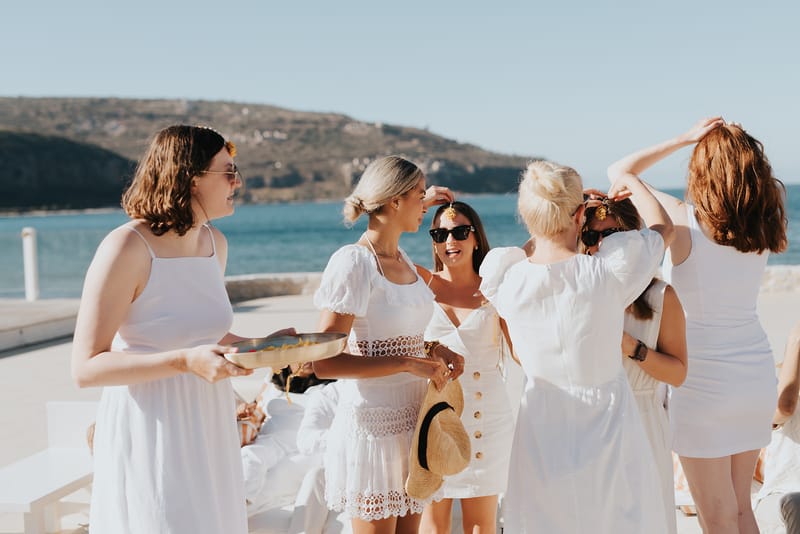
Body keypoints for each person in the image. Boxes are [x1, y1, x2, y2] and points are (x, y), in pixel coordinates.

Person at [71, 125, 290, 534]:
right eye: (227, 171)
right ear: (191, 178)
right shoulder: (127, 247)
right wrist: (184, 362)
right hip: (151, 425)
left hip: (208, 424)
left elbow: (196, 334)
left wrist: (268, 348)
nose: (237, 181)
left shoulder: (214, 244)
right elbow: (85, 367)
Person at [608, 118, 788, 533]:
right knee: (742, 509)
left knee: (717, 517)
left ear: (701, 170)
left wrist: (683, 137)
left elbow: (621, 171)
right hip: (754, 375)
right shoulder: (761, 226)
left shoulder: (685, 222)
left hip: (704, 385)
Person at [478, 160, 675, 533]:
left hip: (541, 427)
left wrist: (551, 224)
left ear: (529, 217)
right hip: (608, 425)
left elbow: (528, 255)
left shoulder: (509, 278)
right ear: (580, 214)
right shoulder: (609, 271)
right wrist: (630, 180)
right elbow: (664, 229)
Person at [312, 155, 465, 534]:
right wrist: (406, 363)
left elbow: (396, 335)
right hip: (374, 430)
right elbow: (324, 363)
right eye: (418, 195)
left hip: (415, 424)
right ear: (395, 201)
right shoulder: (354, 263)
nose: (425, 204)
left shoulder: (405, 260)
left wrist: (432, 350)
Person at [581, 196, 688, 534]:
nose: (599, 245)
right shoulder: (574, 293)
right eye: (590, 236)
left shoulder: (660, 297)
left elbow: (678, 373)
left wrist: (634, 348)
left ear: (633, 238)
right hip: (589, 425)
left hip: (643, 422)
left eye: (611, 235)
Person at [416, 201, 515, 534]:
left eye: (459, 231)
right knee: (433, 525)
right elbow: (375, 257)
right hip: (435, 416)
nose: (450, 241)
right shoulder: (419, 285)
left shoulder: (494, 288)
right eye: (439, 233)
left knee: (481, 526)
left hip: (488, 419)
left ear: (476, 237)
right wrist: (422, 201)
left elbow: (522, 353)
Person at [754, 321, 800, 533]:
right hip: (782, 495)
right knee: (796, 503)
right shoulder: (779, 386)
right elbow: (785, 408)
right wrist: (795, 340)